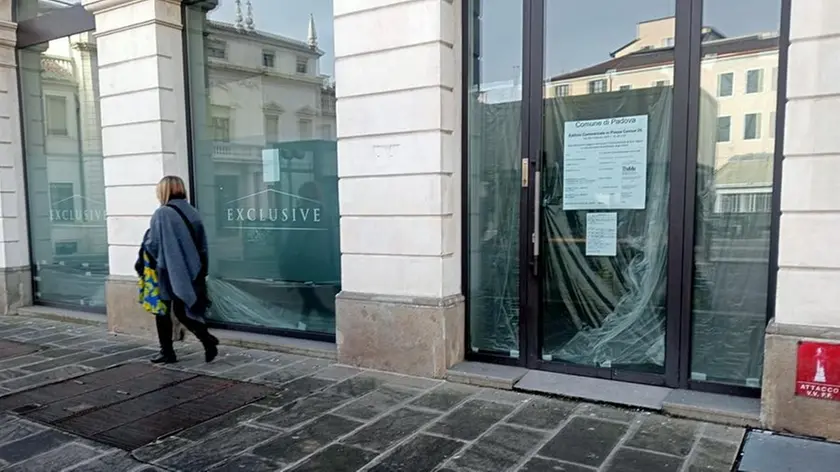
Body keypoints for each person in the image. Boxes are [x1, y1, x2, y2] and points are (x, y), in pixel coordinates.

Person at [140, 176, 218, 364]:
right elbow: (202, 244)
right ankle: (207, 340)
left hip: (168, 269)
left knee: (162, 311)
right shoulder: (192, 211)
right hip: (192, 269)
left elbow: (154, 244)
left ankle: (168, 352)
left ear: (163, 191)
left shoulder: (163, 213)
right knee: (183, 310)